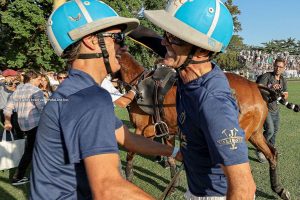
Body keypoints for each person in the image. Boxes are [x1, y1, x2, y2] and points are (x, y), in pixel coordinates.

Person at [30, 1, 180, 199]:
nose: (124, 47)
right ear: (91, 41)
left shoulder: (74, 90)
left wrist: (176, 151)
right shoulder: (90, 97)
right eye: (117, 38)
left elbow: (126, 138)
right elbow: (108, 189)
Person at [144, 0, 256, 199]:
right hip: (196, 191)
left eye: (174, 38)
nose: (164, 42)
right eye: (166, 35)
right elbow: (152, 39)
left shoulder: (213, 102)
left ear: (202, 51)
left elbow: (244, 190)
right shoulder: (187, 66)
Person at [4, 70, 45, 185]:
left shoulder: (17, 91)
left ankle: (24, 176)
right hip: (36, 125)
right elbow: (43, 110)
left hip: (23, 125)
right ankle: (18, 177)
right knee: (31, 151)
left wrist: (7, 121)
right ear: (32, 79)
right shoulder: (36, 91)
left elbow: (8, 109)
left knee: (31, 150)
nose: (40, 81)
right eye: (38, 79)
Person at [256, 57, 288, 162]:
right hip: (265, 108)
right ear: (273, 65)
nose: (278, 68)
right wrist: (271, 87)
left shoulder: (283, 79)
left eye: (280, 67)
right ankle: (260, 149)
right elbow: (258, 88)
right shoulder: (266, 76)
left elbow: (286, 95)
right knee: (270, 130)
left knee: (275, 131)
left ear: (284, 68)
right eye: (276, 66)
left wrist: (282, 94)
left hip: (275, 109)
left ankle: (271, 148)